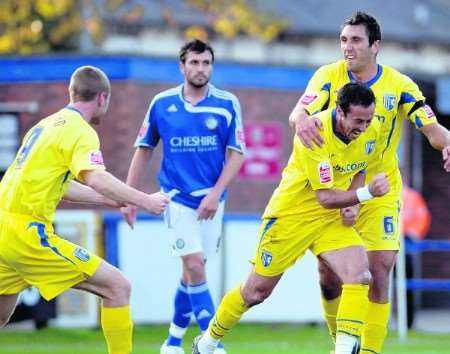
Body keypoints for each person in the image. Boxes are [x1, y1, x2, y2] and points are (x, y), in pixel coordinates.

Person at [288, 11, 450, 354]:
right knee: (329, 276)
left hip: (380, 189)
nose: (348, 47)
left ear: (375, 46)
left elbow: (433, 132)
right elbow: (300, 111)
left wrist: (449, 144)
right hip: (339, 189)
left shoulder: (400, 86)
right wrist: (300, 119)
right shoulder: (327, 77)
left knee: (380, 269)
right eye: (344, 40)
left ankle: (371, 351)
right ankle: (341, 345)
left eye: (356, 40)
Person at [193, 82, 390, 354]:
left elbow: (360, 164)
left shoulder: (373, 129)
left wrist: (354, 197)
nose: (364, 127)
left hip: (328, 221)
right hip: (290, 218)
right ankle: (206, 343)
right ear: (340, 112)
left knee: (359, 275)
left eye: (368, 120)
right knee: (255, 292)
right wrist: (366, 194)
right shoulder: (314, 134)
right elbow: (325, 197)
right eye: (358, 120)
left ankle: (343, 349)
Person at [0, 65, 170, 354]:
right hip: (26, 236)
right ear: (102, 98)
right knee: (118, 287)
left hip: (4, 229)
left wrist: (112, 199)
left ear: (72, 93)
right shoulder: (81, 131)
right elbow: (97, 177)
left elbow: (60, 185)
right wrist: (146, 201)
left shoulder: (44, 126)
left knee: (1, 316)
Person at [121, 39, 245, 354]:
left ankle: (173, 341)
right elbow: (143, 150)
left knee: (192, 270)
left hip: (213, 201)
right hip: (176, 198)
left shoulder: (227, 103)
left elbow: (236, 155)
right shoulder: (161, 104)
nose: (200, 69)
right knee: (194, 265)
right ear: (182, 66)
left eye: (206, 63)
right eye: (194, 63)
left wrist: (215, 195)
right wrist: (129, 197)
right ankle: (210, 342)